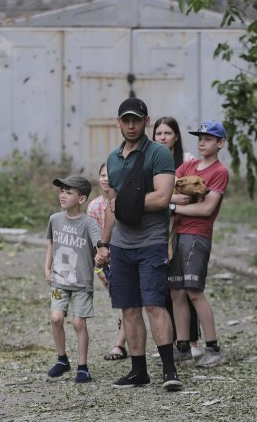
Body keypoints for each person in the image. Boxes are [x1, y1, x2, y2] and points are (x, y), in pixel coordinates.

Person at [95, 97, 183, 391]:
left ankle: (169, 370)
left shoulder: (158, 153)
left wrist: (128, 203)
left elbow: (162, 197)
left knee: (154, 304)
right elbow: (111, 206)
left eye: (137, 119)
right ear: (118, 122)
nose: (131, 125)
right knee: (128, 309)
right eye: (126, 120)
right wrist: (104, 244)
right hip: (121, 245)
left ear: (146, 121)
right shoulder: (113, 158)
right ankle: (138, 371)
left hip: (151, 242)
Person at [168, 120, 230, 368]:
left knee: (194, 291)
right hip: (176, 235)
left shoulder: (219, 172)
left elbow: (206, 208)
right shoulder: (189, 165)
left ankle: (213, 347)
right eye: (200, 138)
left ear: (220, 143)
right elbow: (166, 190)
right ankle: (182, 346)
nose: (202, 142)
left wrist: (174, 206)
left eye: (208, 138)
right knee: (176, 291)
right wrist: (172, 200)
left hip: (197, 235)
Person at [44, 174, 102, 383]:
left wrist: (102, 259)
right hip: (60, 279)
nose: (63, 195)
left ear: (81, 199)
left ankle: (82, 366)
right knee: (56, 317)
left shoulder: (89, 223)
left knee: (78, 323)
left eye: (69, 192)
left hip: (81, 283)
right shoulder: (54, 219)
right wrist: (47, 267)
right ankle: (62, 360)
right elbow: (51, 243)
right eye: (62, 191)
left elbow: (100, 248)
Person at [152, 117, 201, 363]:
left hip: (184, 230)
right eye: (158, 133)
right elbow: (155, 196)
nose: (162, 137)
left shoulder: (187, 161)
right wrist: (171, 201)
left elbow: (193, 194)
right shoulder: (149, 160)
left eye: (167, 133)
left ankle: (190, 341)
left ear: (176, 136)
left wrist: (172, 202)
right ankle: (170, 343)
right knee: (165, 290)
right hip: (158, 230)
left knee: (185, 288)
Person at [87, 163, 128, 361]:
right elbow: (92, 241)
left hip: (124, 257)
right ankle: (124, 337)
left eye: (109, 175)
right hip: (105, 262)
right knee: (120, 302)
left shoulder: (122, 202)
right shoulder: (94, 207)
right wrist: (98, 269)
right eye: (102, 175)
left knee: (128, 303)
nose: (105, 179)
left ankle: (119, 345)